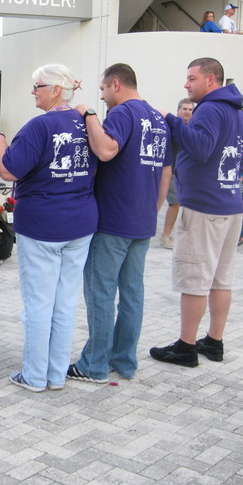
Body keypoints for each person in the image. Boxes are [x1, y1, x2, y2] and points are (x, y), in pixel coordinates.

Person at [0, 64, 97, 392]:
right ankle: (55, 374)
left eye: (37, 86)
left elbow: (9, 170)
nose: (32, 91)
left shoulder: (39, 126)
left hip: (42, 224)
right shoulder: (89, 123)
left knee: (39, 303)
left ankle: (35, 375)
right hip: (80, 222)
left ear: (54, 90)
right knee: (65, 303)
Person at [69, 63, 170, 383]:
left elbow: (106, 149)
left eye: (102, 89)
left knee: (100, 293)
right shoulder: (158, 118)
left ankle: (94, 365)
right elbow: (166, 171)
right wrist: (152, 209)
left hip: (114, 221)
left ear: (116, 84)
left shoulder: (123, 113)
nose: (101, 96)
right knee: (132, 294)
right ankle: (124, 361)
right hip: (141, 220)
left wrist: (88, 116)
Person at [150, 58, 243, 366]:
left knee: (195, 279)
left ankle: (186, 347)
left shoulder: (210, 108)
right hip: (231, 204)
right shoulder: (237, 113)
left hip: (206, 207)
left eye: (192, 78)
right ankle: (214, 341)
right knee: (222, 278)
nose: (186, 84)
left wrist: (173, 120)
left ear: (210, 80)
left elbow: (201, 147)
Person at [159, 99, 193, 249]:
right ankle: (165, 236)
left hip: (185, 173)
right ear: (178, 111)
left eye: (190, 109)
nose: (187, 112)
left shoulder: (192, 129)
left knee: (182, 205)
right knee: (175, 203)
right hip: (170, 171)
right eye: (184, 109)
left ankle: (174, 235)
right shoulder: (171, 127)